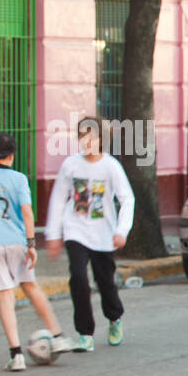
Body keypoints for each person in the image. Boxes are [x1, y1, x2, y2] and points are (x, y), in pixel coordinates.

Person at [0, 134, 74, 371]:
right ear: (11, 155)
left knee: (5, 295)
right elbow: (27, 213)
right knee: (30, 286)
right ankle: (58, 334)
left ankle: (16, 354)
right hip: (16, 241)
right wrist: (31, 244)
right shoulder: (19, 179)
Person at [45, 118, 135, 351]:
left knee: (105, 282)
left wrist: (121, 230)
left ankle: (114, 318)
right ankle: (85, 333)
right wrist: (53, 234)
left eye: (91, 137)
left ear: (101, 140)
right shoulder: (70, 165)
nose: (86, 142)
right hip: (75, 230)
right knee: (78, 278)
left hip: (104, 234)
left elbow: (127, 199)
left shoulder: (110, 166)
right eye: (82, 137)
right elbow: (57, 199)